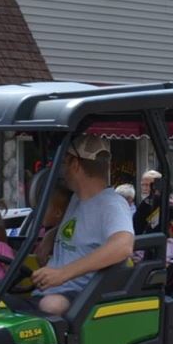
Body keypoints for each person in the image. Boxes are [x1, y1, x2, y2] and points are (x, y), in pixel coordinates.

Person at [33, 134, 135, 316]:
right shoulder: (77, 199)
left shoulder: (112, 205)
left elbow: (123, 246)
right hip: (50, 290)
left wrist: (62, 273)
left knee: (51, 305)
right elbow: (85, 228)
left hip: (84, 296)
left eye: (63, 162)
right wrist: (53, 234)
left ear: (75, 165)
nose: (62, 170)